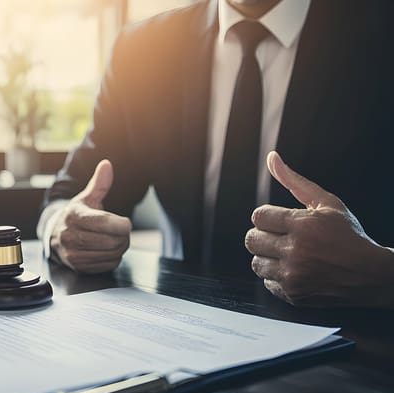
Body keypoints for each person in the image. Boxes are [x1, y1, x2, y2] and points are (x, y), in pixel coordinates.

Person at [38, 0, 394, 307]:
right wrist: (62, 229)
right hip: (183, 340)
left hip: (355, 350)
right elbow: (71, 197)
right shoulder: (143, 50)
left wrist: (381, 274)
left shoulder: (380, 33)